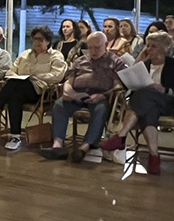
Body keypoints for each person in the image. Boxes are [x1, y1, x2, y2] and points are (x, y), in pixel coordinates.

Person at [100, 31, 174, 175]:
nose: (148, 49)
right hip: (147, 105)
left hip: (170, 104)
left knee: (144, 94)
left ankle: (121, 136)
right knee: (148, 109)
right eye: (147, 45)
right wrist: (138, 62)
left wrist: (164, 89)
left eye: (153, 46)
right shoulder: (144, 64)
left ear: (165, 48)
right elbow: (128, 84)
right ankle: (154, 156)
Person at [0, 26, 66, 151]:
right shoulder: (25, 54)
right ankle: (15, 137)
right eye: (34, 39)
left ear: (48, 41)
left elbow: (57, 75)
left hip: (40, 92)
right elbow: (10, 71)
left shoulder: (56, 56)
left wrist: (34, 77)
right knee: (15, 95)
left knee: (17, 85)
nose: (36, 42)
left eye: (40, 39)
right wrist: (18, 77)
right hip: (19, 89)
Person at [40, 32, 127, 163]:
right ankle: (57, 146)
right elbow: (68, 82)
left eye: (97, 47)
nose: (93, 51)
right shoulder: (80, 60)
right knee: (59, 104)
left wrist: (103, 95)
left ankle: (84, 147)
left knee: (100, 109)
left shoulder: (115, 61)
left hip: (101, 95)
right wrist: (69, 93)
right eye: (90, 47)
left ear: (106, 45)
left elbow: (118, 86)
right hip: (78, 93)